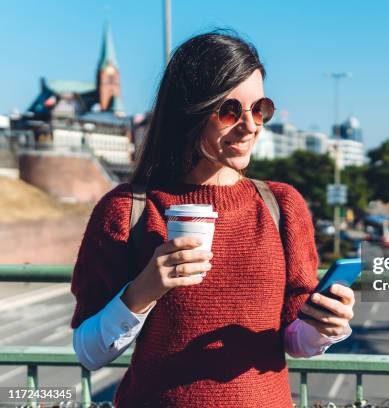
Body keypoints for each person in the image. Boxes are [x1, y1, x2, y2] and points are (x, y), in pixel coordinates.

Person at [70, 30, 355, 407]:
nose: (251, 125)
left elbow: (293, 339)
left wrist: (325, 329)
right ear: (190, 111)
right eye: (230, 110)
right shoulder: (127, 208)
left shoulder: (283, 205)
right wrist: (142, 291)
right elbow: (90, 352)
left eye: (260, 109)